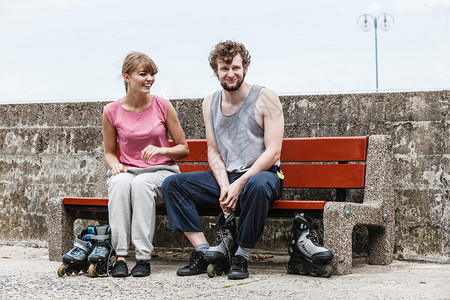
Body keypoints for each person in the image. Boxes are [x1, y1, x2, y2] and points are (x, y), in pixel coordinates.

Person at [162, 41, 284, 279]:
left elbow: (273, 152)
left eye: (236, 68)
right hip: (227, 177)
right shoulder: (209, 103)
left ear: (245, 68)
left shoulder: (266, 97)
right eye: (224, 68)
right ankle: (205, 251)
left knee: (257, 186)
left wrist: (239, 184)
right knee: (172, 185)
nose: (230, 73)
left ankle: (241, 256)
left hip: (264, 174)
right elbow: (214, 151)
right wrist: (225, 185)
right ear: (215, 71)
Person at [102, 52, 189, 277]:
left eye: (152, 74)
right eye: (143, 74)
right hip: (130, 172)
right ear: (127, 77)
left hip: (162, 172)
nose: (149, 78)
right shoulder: (111, 111)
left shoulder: (163, 106)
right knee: (119, 183)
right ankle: (120, 256)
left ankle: (143, 257)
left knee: (141, 184)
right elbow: (110, 153)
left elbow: (183, 148)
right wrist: (114, 166)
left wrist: (162, 150)